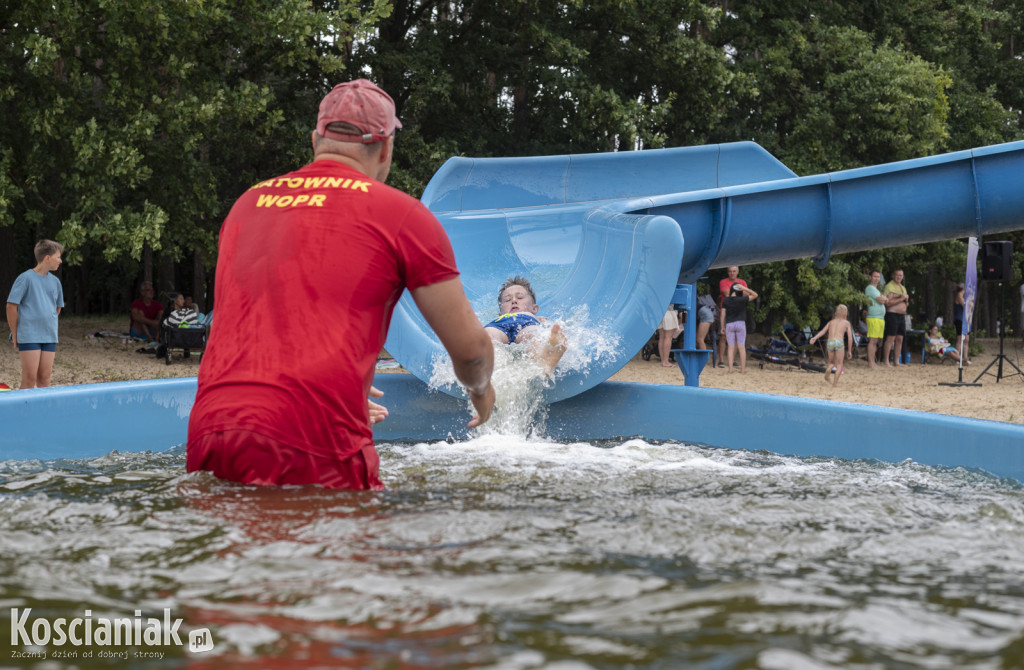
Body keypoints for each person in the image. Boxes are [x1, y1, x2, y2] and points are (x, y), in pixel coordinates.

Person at [187, 78, 496, 490]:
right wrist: (482, 393)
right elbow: (472, 353)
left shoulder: (247, 203)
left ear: (315, 139)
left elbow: (264, 317)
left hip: (213, 425)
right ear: (385, 149)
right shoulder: (402, 215)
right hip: (315, 435)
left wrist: (340, 386)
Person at [6, 239, 65, 389]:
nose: (61, 260)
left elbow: (57, 308)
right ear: (47, 258)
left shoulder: (56, 282)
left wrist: (47, 321)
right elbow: (11, 306)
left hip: (49, 335)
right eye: (58, 257)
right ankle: (21, 412)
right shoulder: (25, 278)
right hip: (29, 335)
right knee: (30, 378)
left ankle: (44, 412)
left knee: (45, 378)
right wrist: (15, 333)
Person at [484, 276, 567, 374]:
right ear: (500, 313)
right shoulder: (498, 319)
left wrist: (542, 321)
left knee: (532, 335)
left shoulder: (533, 317)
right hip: (499, 326)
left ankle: (543, 359)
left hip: (525, 323)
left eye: (520, 297)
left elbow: (544, 326)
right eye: (507, 300)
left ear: (534, 309)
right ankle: (488, 364)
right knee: (489, 336)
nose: (514, 301)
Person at [809, 305, 854, 387]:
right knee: (840, 364)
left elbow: (823, 331)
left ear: (836, 313)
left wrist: (814, 338)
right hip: (839, 341)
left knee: (831, 362)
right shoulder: (846, 323)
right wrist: (850, 351)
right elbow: (850, 339)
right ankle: (835, 384)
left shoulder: (831, 322)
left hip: (830, 342)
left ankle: (829, 368)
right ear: (846, 315)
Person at [720, 283, 758, 373]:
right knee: (741, 347)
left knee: (730, 347)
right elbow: (755, 295)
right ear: (739, 291)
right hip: (740, 324)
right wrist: (744, 288)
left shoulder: (726, 300)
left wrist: (722, 326)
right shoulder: (743, 300)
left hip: (729, 324)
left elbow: (722, 314)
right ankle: (743, 370)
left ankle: (730, 369)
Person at [882, 268, 910, 367]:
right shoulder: (889, 286)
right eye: (897, 275)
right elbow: (888, 303)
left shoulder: (903, 287)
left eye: (901, 275)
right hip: (892, 315)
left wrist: (905, 301)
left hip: (902, 315)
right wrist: (901, 298)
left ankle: (897, 361)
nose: (899, 277)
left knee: (900, 338)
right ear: (893, 276)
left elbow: (906, 302)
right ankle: (886, 360)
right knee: (891, 337)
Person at [864, 269, 886, 368]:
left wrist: (884, 298)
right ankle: (871, 363)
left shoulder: (876, 289)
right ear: (870, 277)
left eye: (878, 277)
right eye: (874, 276)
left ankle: (873, 362)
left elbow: (886, 300)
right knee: (872, 341)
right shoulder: (870, 288)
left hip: (879, 318)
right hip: (874, 318)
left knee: (875, 341)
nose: (877, 279)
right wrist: (883, 298)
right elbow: (882, 300)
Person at [954, 283, 971, 365]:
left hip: (965, 321)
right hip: (959, 320)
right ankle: (957, 358)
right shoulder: (959, 296)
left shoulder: (963, 297)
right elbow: (966, 307)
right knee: (960, 339)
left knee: (966, 340)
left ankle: (965, 359)